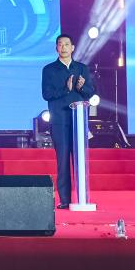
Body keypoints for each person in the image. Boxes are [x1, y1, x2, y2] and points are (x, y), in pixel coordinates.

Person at [41, 33, 97, 209]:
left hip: (78, 121)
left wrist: (81, 87)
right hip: (59, 121)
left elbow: (90, 92)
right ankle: (65, 199)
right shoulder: (49, 69)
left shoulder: (81, 68)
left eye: (66, 44)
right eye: (60, 44)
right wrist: (66, 89)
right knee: (63, 160)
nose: (63, 47)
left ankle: (82, 197)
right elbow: (46, 94)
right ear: (56, 48)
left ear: (72, 48)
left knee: (79, 160)